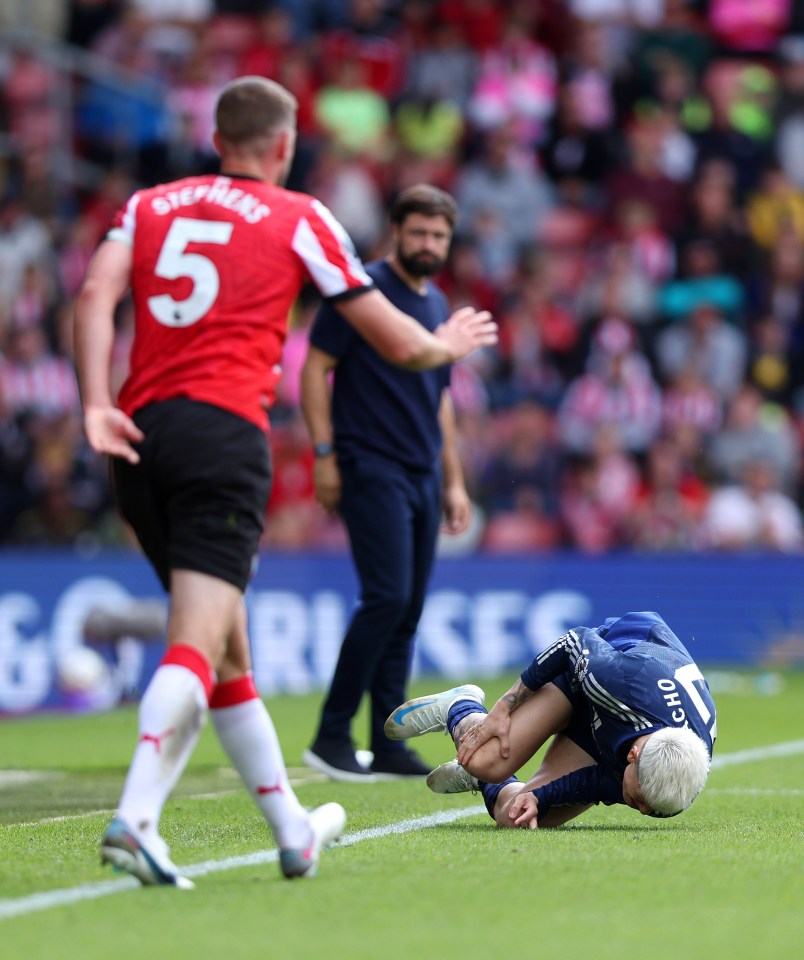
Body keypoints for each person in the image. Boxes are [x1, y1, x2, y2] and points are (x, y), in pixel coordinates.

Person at [73, 75, 496, 889]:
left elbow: (95, 293)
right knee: (198, 641)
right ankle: (136, 818)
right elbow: (398, 343)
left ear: (215, 137)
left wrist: (94, 400)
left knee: (229, 651)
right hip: (223, 439)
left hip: (138, 432)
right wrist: (446, 344)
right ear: (284, 146)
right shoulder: (301, 217)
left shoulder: (150, 203)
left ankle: (293, 831)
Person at [300, 184, 473, 782]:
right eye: (418, 232)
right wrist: (323, 454)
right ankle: (330, 734)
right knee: (387, 597)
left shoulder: (437, 301)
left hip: (423, 470)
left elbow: (441, 401)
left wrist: (454, 479)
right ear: (395, 231)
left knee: (408, 609)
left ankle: (386, 738)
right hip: (369, 463)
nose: (428, 244)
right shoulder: (360, 291)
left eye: (438, 235)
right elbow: (313, 369)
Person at [385, 610, 715, 828]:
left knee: (516, 818)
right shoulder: (620, 680)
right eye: (641, 799)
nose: (643, 811)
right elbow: (574, 642)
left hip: (615, 728)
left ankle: (480, 780)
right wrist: (502, 708)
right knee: (487, 760)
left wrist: (539, 798)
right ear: (634, 755)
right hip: (585, 680)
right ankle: (462, 706)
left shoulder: (673, 790)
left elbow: (599, 781)